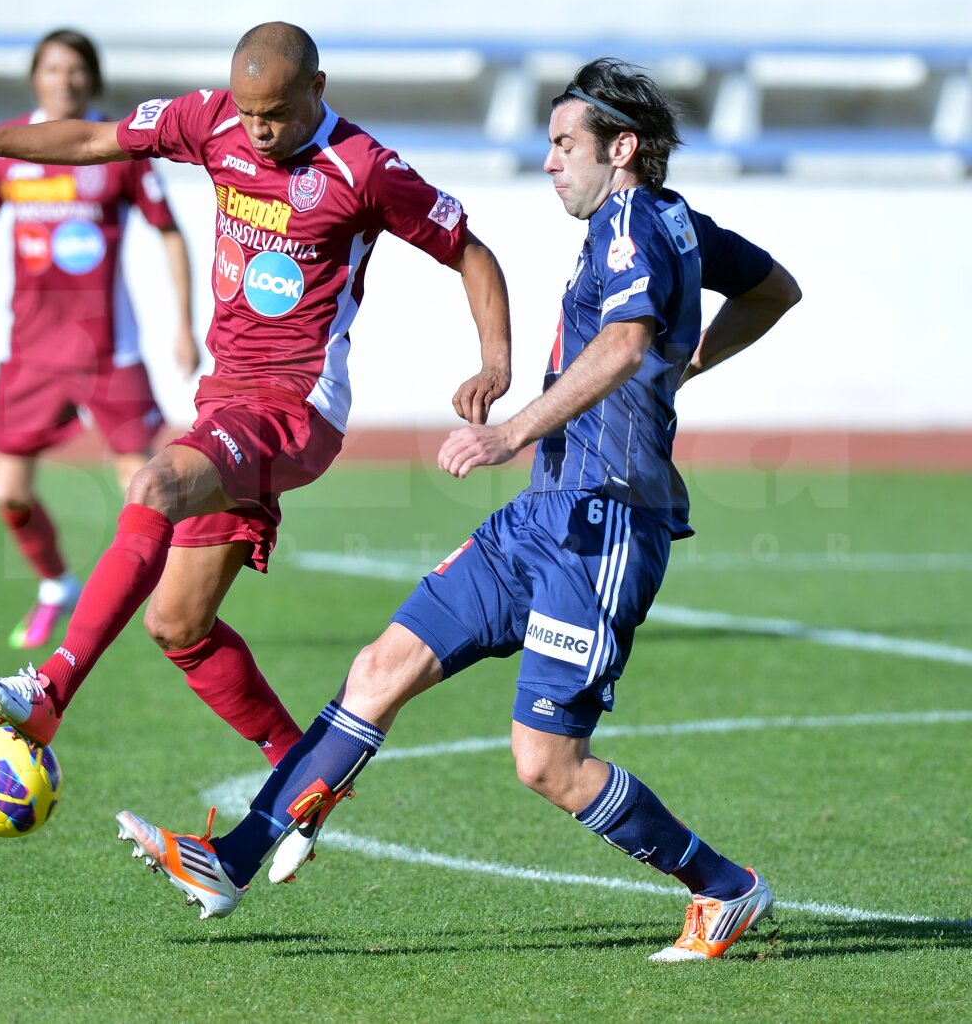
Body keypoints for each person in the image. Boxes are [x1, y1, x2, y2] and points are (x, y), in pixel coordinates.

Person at [110, 58, 802, 962]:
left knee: (546, 762)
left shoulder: (635, 217)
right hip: (540, 517)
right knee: (377, 670)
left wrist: (518, 427)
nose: (550, 161)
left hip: (602, 526)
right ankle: (232, 859)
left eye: (564, 144)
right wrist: (691, 362)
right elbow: (773, 288)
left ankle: (723, 887)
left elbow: (629, 340)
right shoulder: (671, 223)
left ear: (621, 148)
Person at [0, 24, 512, 788]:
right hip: (223, 404)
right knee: (177, 623)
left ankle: (50, 690)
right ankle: (304, 774)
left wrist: (494, 361)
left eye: (276, 113)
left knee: (150, 484)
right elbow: (91, 140)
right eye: (249, 113)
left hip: (296, 408)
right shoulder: (209, 120)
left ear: (319, 89)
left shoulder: (364, 167)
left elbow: (469, 252)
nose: (259, 129)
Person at [0, 28, 198, 650]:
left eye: (75, 70)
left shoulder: (120, 148)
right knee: (8, 493)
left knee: (142, 492)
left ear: (90, 79)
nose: (63, 80)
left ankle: (171, 613)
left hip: (106, 351)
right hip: (31, 352)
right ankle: (54, 585)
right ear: (36, 77)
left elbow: (170, 232)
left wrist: (182, 323)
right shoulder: (7, 148)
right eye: (52, 69)